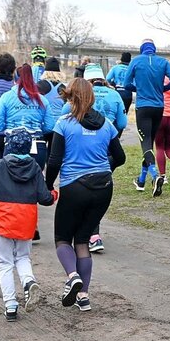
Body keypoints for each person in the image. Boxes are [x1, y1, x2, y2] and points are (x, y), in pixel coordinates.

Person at [45, 78, 126, 312]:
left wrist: (48, 185)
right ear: (91, 97)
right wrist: (104, 168)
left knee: (63, 239)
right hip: (103, 188)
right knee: (82, 240)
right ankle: (83, 297)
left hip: (74, 187)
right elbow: (120, 157)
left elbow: (54, 160)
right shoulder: (107, 125)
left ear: (70, 97)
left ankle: (73, 276)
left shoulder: (64, 123)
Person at [0, 128, 56, 321]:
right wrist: (54, 195)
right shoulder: (35, 167)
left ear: (7, 146)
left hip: (3, 218)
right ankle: (29, 282)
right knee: (23, 257)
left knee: (4, 263)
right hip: (26, 219)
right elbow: (45, 198)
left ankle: (10, 306)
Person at [62, 63, 127, 253]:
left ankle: (90, 234)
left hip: (81, 150)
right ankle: (92, 234)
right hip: (106, 150)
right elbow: (122, 122)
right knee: (98, 190)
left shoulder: (78, 97)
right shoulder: (114, 95)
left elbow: (63, 116)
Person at [124, 39, 170, 197]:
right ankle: (141, 180)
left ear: (142, 49)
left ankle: (155, 177)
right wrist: (161, 88)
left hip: (143, 107)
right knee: (149, 142)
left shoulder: (136, 61)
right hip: (158, 107)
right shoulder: (163, 62)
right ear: (154, 49)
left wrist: (139, 89)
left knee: (146, 143)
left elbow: (126, 84)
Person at [0, 63, 55, 170]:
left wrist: (9, 127)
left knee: (11, 179)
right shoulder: (42, 99)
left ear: (15, 80)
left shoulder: (6, 97)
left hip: (12, 144)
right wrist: (37, 129)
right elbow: (50, 125)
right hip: (37, 145)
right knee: (35, 179)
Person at [37, 56, 67, 158]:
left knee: (40, 152)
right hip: (59, 126)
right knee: (53, 155)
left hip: (43, 124)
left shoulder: (40, 85)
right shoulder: (63, 88)